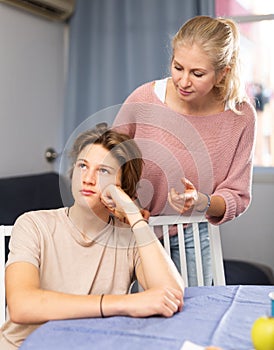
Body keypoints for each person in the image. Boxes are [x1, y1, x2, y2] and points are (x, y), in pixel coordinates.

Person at [0, 125, 184, 350]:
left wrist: (135, 217)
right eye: (82, 166)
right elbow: (22, 306)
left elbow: (172, 293)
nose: (87, 178)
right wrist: (126, 303)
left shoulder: (129, 238)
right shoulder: (33, 225)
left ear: (123, 186)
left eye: (103, 171)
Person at [113, 15, 256, 286]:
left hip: (192, 232)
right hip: (134, 228)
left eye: (197, 73)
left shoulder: (240, 116)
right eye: (178, 67)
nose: (183, 81)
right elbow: (107, 161)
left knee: (194, 313)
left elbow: (237, 195)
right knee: (135, 314)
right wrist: (125, 206)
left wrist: (201, 202)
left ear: (223, 72)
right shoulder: (145, 98)